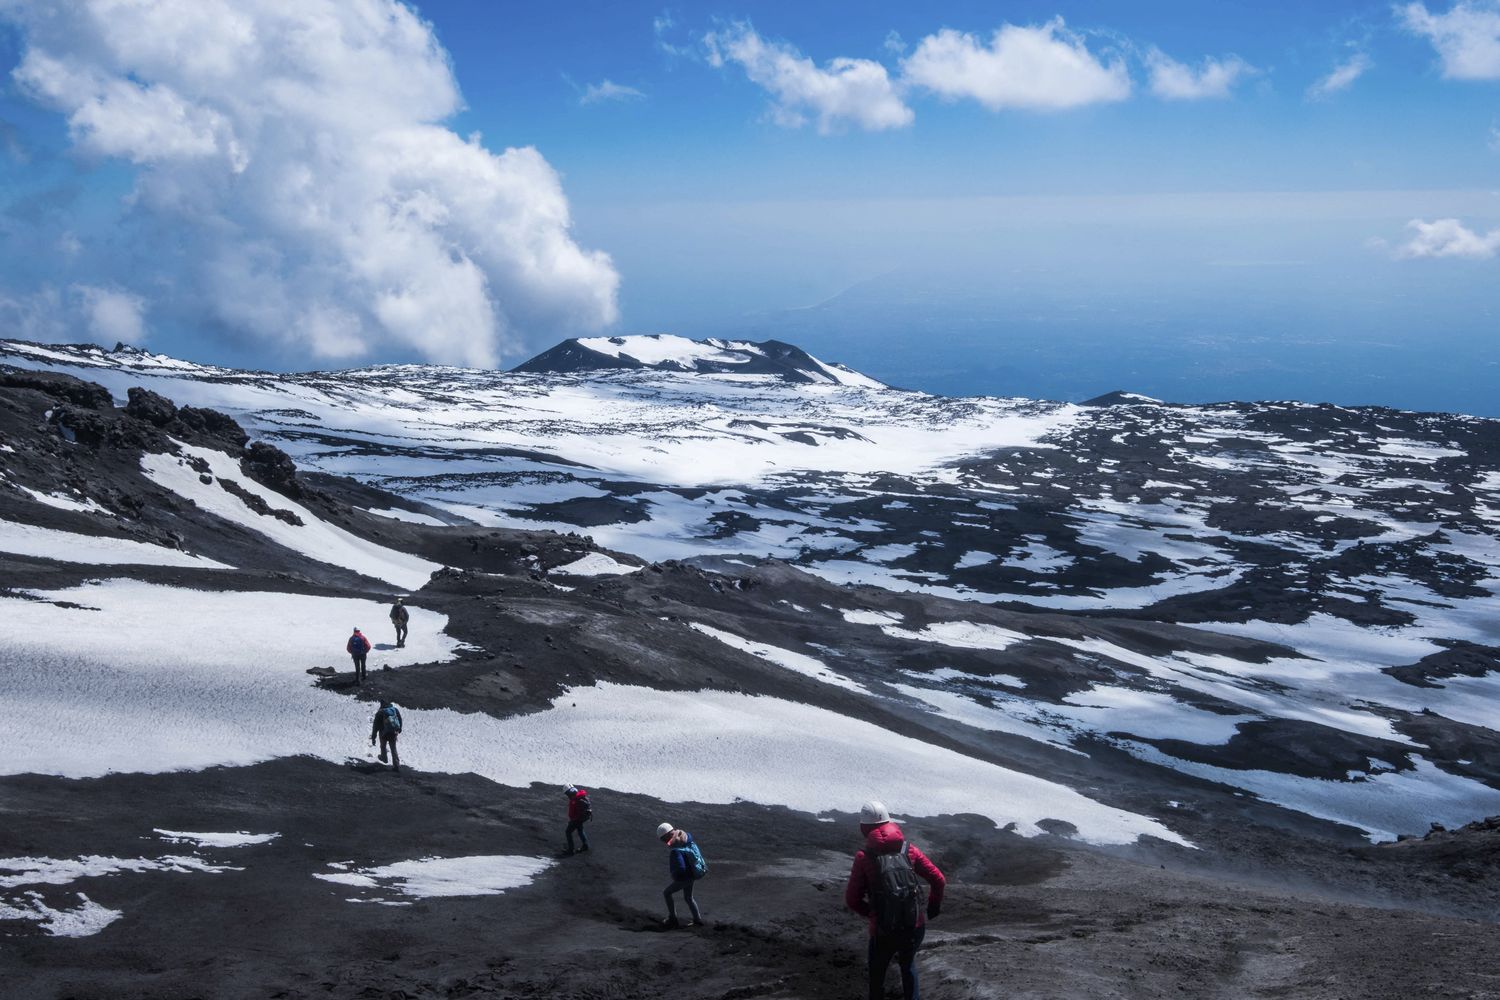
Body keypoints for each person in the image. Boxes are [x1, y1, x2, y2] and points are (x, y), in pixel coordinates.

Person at [844, 800, 945, 1000]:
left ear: (864, 828)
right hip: (913, 924)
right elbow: (938, 880)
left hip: (883, 929)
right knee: (908, 966)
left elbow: (852, 899)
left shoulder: (864, 857)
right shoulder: (909, 850)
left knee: (877, 974)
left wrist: (873, 913)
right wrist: (933, 906)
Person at [656, 821, 705, 928]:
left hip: (685, 876)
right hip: (693, 873)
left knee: (667, 893)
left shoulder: (676, 849)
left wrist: (676, 877)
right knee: (688, 897)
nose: (664, 842)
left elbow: (681, 868)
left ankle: (672, 918)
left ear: (668, 835)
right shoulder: (686, 838)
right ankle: (697, 920)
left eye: (664, 839)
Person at [369, 700, 402, 773]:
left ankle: (384, 758)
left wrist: (373, 738)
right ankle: (396, 765)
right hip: (393, 732)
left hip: (383, 733)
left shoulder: (380, 712)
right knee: (393, 748)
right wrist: (399, 729)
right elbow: (399, 719)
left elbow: (375, 726)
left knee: (383, 746)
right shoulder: (394, 710)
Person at [563, 785, 592, 855]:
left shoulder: (574, 799)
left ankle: (571, 849)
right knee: (580, 830)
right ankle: (585, 846)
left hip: (577, 819)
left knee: (568, 832)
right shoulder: (579, 795)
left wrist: (572, 819)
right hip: (582, 818)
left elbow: (572, 812)